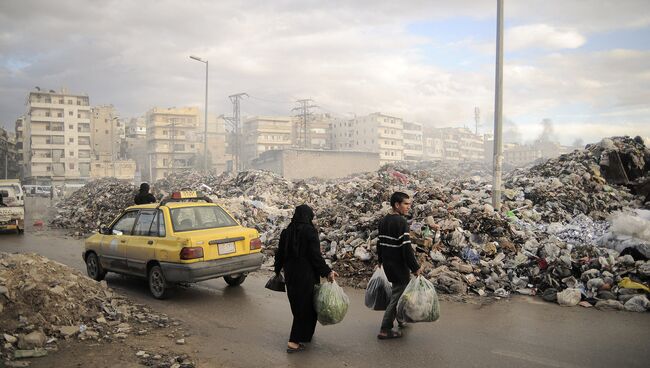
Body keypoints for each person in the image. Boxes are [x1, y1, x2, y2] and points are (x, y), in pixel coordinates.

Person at [274, 204, 338, 353]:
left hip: (291, 274)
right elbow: (315, 256)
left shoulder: (287, 231)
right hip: (306, 275)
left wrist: (277, 270)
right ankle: (293, 341)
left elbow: (280, 253)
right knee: (305, 307)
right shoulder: (310, 232)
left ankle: (305, 335)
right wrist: (327, 272)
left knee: (299, 306)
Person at [376, 191, 422, 339]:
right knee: (397, 296)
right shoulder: (401, 222)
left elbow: (379, 243)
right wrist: (415, 267)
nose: (408, 207)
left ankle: (401, 320)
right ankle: (385, 329)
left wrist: (380, 261)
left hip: (388, 264)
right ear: (397, 204)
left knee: (399, 293)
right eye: (406, 204)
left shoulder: (383, 221)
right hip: (398, 266)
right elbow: (406, 248)